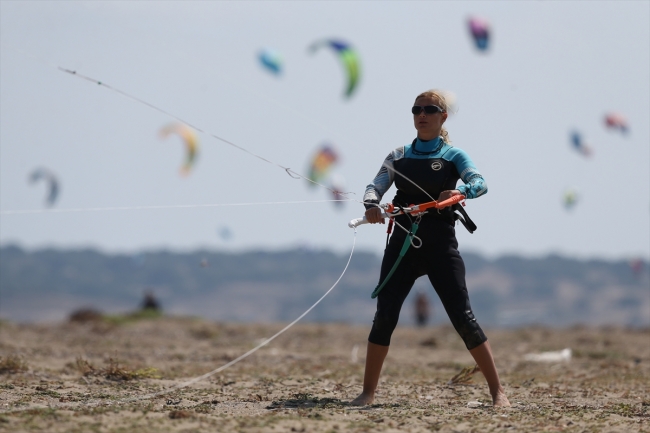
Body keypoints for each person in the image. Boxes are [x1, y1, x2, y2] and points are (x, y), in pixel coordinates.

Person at [350, 90, 510, 407]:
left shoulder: (454, 156)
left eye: (430, 109)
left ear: (443, 116)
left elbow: (480, 182)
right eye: (417, 109)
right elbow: (375, 185)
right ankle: (368, 393)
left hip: (440, 245)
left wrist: (460, 190)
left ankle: (498, 393)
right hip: (403, 244)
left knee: (463, 318)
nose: (422, 114)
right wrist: (371, 204)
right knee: (384, 317)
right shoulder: (397, 155)